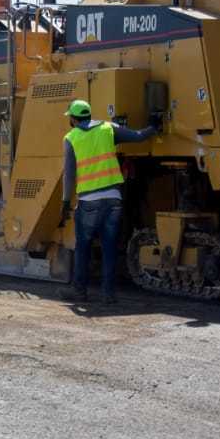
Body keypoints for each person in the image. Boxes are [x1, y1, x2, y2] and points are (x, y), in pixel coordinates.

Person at [58, 99, 159, 304]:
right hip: (113, 199)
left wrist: (66, 201)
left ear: (73, 119)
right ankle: (108, 294)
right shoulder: (107, 128)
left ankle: (79, 291)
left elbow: (69, 175)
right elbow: (139, 136)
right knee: (109, 247)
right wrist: (154, 126)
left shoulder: (71, 138)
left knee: (83, 247)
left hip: (88, 201)